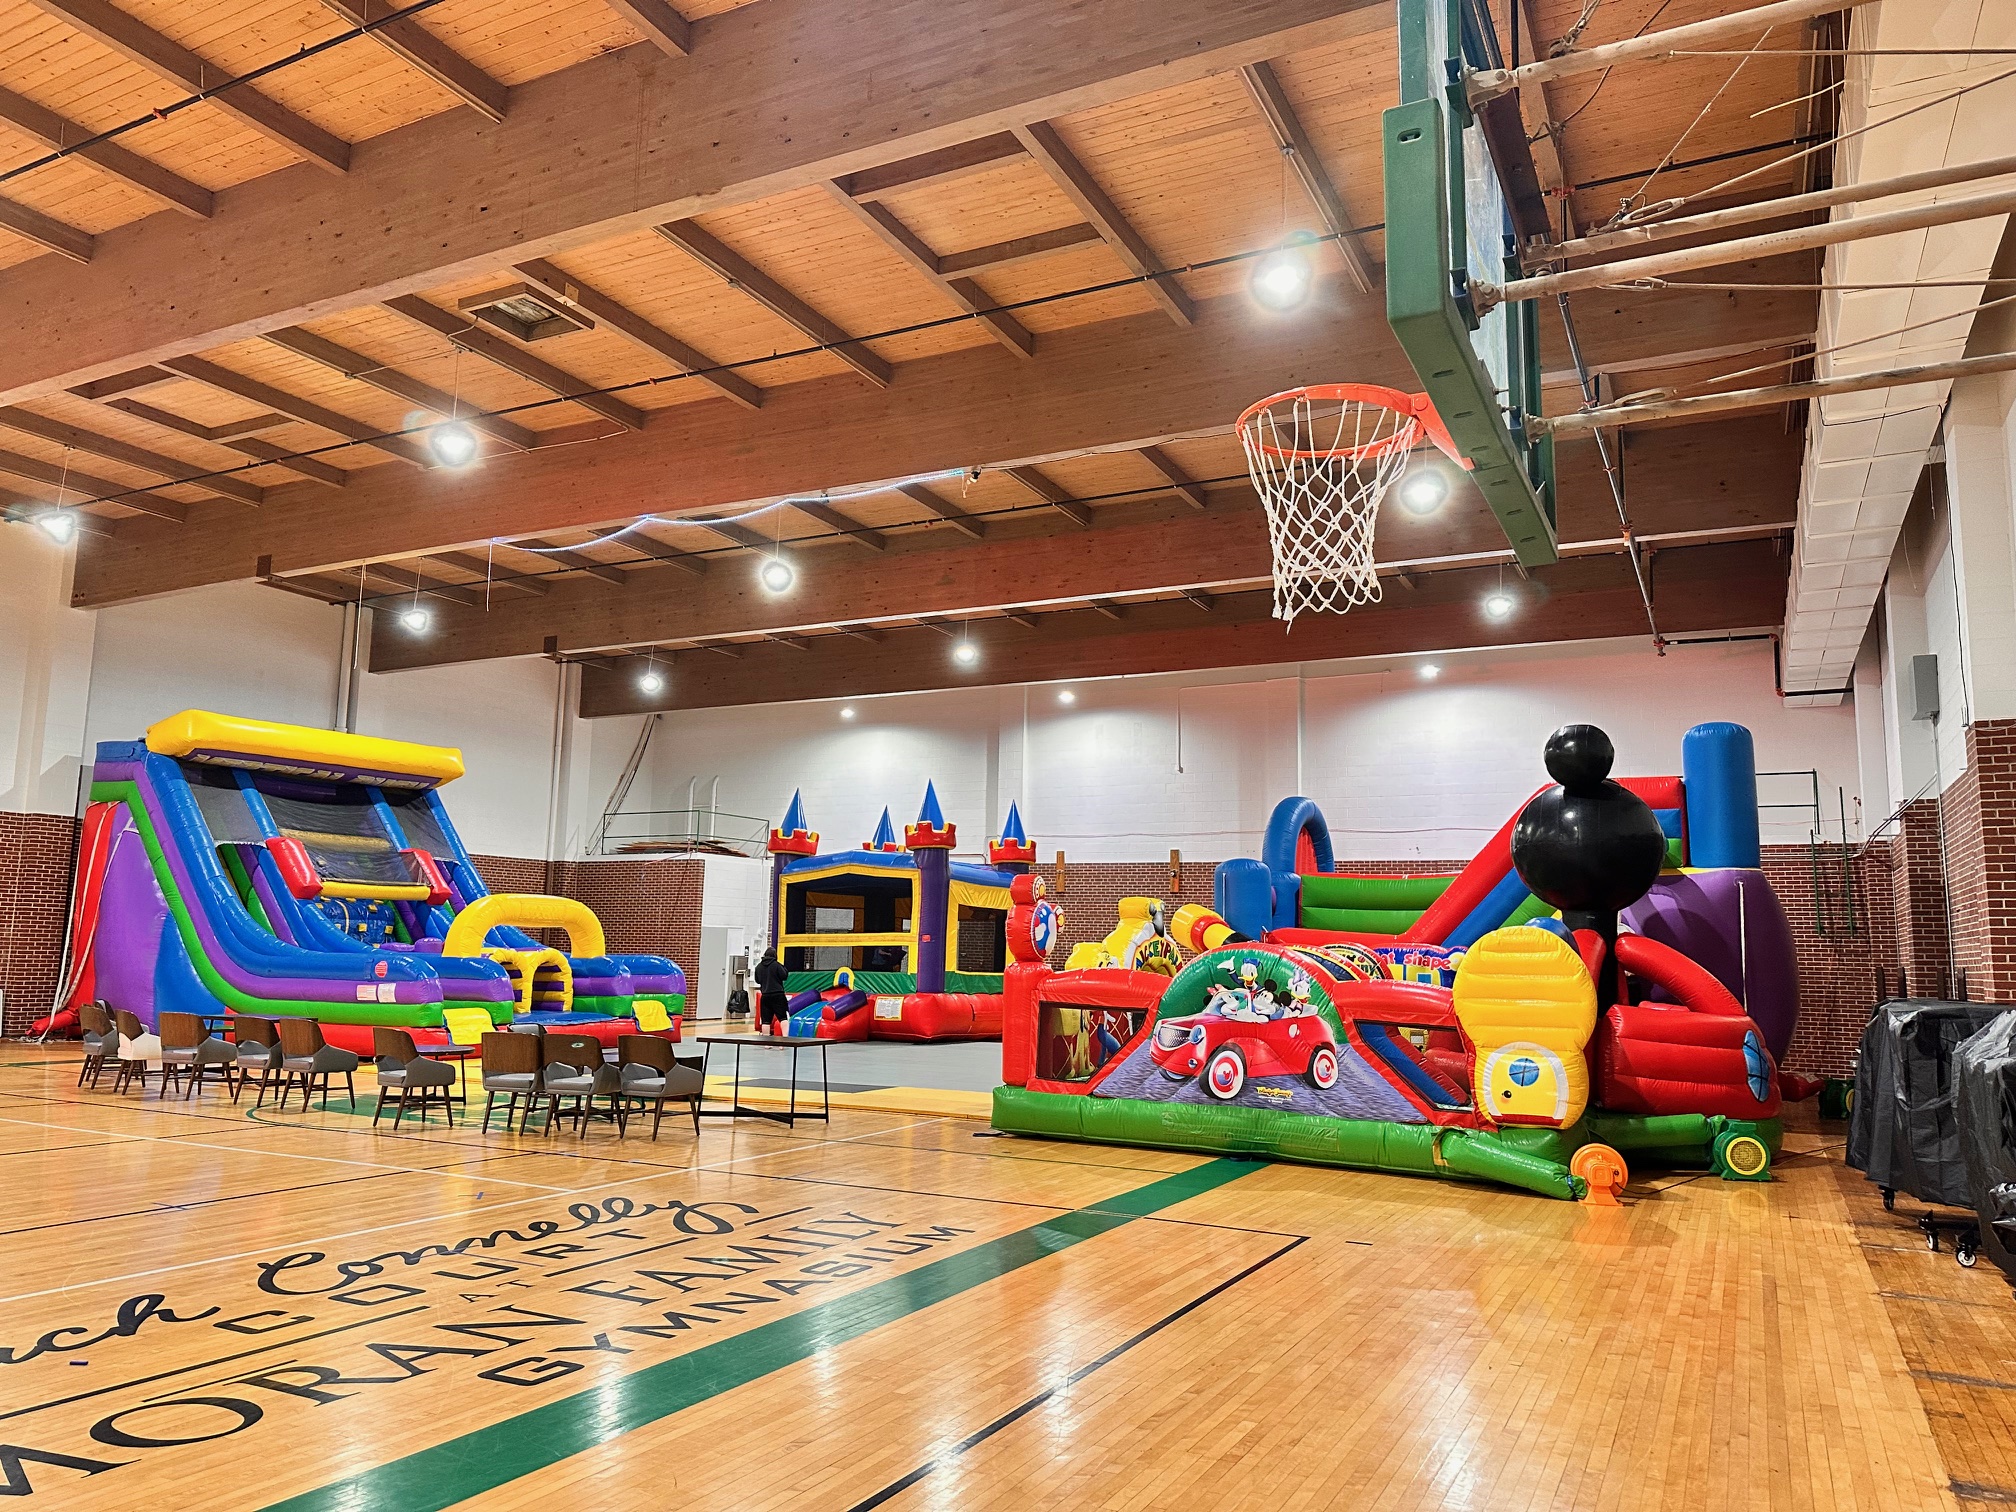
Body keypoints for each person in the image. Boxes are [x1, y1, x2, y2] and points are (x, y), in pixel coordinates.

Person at [753, 947, 790, 1036]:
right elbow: (784, 975)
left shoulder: (759, 966)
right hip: (778, 995)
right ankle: (785, 1040)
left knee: (766, 1021)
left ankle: (767, 1043)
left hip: (765, 995)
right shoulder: (776, 965)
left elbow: (757, 980)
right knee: (783, 1018)